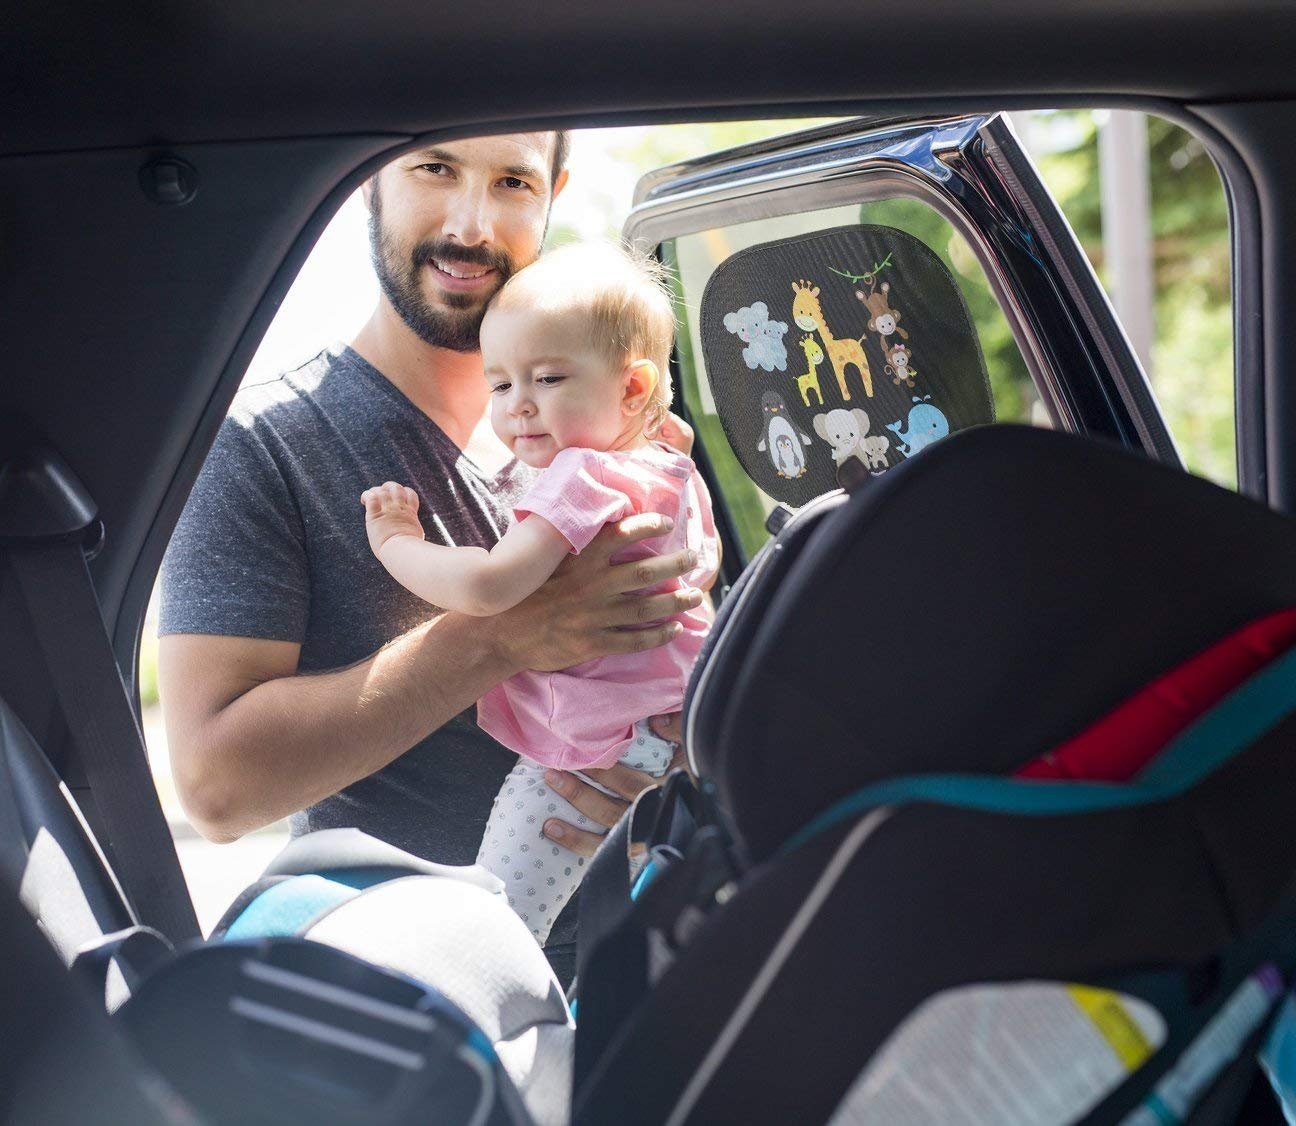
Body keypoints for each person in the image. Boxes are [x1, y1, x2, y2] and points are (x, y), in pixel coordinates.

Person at [157, 132, 703, 983]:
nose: (472, 224)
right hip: (422, 987)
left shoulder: (626, 435)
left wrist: (672, 753)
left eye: (513, 182)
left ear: (553, 192)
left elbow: (687, 638)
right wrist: (499, 637)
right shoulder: (265, 445)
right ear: (369, 180)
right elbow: (215, 787)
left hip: (652, 959)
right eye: (435, 167)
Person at [362, 243, 719, 941]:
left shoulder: (584, 476)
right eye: (500, 386)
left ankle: (497, 1016)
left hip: (595, 745)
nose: (519, 408)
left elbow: (491, 585)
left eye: (549, 378)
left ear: (634, 388)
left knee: (502, 922)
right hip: (667, 731)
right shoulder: (667, 461)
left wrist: (396, 542)